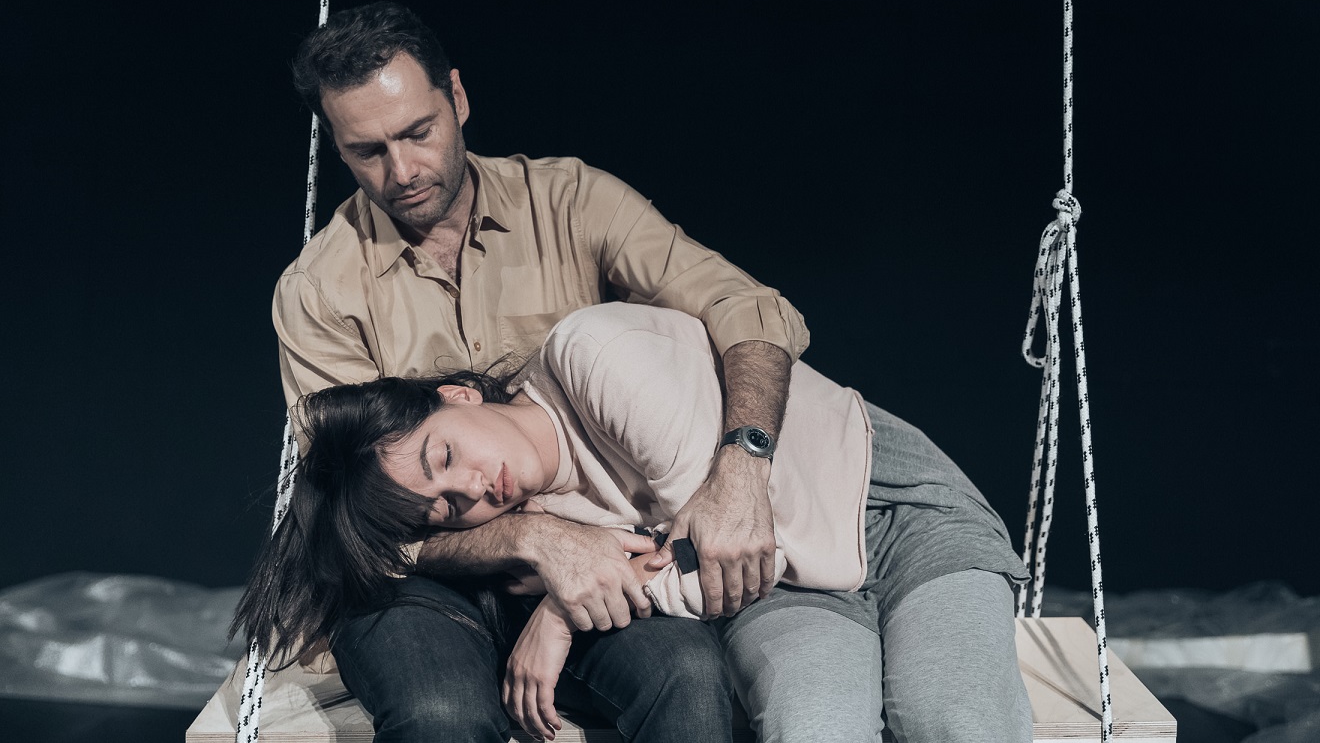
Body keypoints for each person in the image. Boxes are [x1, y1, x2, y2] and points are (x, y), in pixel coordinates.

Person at [270, 0, 833, 742]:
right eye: (367, 151)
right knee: (442, 714)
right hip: (422, 582)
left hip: (600, 549)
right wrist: (532, 539)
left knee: (690, 679)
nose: (401, 171)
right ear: (338, 148)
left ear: (457, 98)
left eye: (417, 132)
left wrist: (743, 463)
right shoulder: (317, 291)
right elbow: (353, 521)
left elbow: (748, 308)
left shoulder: (572, 201)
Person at [256, 302, 1035, 742]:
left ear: (458, 396)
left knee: (951, 717)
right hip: (785, 584)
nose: (473, 488)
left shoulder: (597, 357)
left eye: (447, 456)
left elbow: (730, 539)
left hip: (895, 514)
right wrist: (566, 577)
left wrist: (561, 615)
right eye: (450, 506)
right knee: (814, 728)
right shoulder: (544, 512)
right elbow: (721, 570)